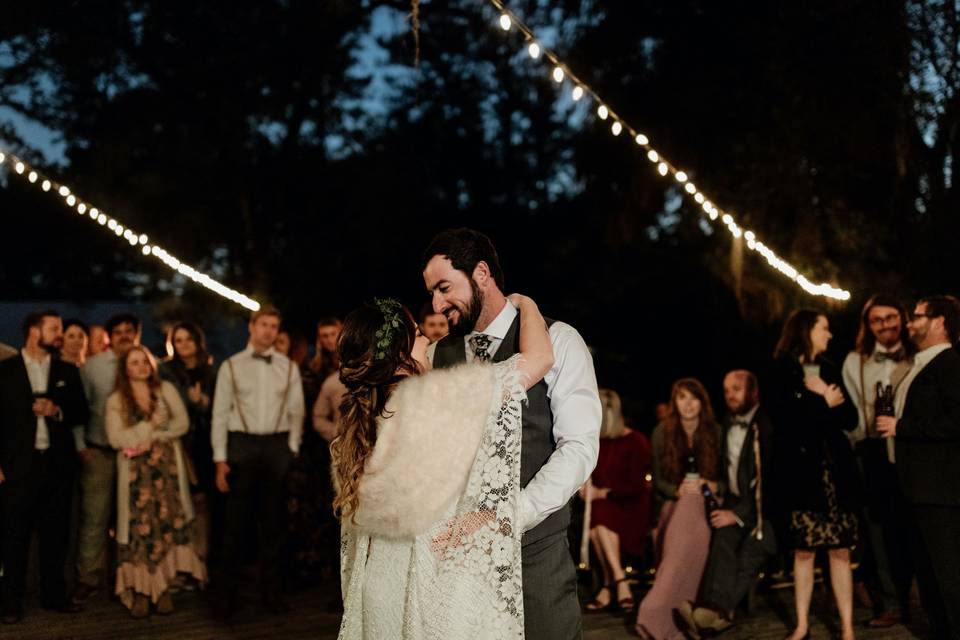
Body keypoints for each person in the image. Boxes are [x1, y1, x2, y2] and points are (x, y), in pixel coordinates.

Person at [336, 294, 554, 639]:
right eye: (416, 334)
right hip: (431, 581)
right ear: (401, 354)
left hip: (380, 579)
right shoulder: (437, 399)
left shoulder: (364, 417)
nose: (425, 337)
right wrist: (527, 304)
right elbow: (539, 358)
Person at [423, 228, 601, 640]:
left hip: (534, 551)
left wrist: (513, 516)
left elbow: (578, 448)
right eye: (432, 292)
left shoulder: (559, 339)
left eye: (444, 287)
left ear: (481, 273)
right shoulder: (437, 355)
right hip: (457, 558)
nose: (436, 303)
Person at [768, 310, 859, 640]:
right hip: (800, 475)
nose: (830, 334)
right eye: (824, 328)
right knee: (803, 551)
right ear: (806, 330)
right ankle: (802, 624)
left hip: (834, 474)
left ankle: (847, 628)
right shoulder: (781, 370)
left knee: (840, 550)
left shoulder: (830, 368)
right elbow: (786, 422)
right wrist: (822, 400)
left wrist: (828, 399)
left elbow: (850, 419)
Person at [210, 305, 305, 616]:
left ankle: (272, 594)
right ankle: (226, 597)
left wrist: (290, 448)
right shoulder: (231, 366)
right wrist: (220, 458)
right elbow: (220, 414)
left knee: (274, 527)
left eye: (274, 326)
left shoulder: (288, 367)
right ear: (251, 327)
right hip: (242, 446)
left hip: (276, 447)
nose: (268, 331)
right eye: (263, 324)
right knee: (235, 526)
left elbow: (296, 411)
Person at [0, 311, 89, 624]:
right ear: (34, 331)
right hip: (18, 468)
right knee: (14, 537)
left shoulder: (67, 369)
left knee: (56, 535)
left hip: (57, 466)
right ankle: (11, 602)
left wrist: (57, 410)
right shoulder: (5, 371)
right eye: (54, 328)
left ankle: (53, 595)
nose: (59, 334)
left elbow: (81, 412)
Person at [105, 346, 206, 617]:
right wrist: (149, 426)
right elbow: (117, 439)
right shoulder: (117, 400)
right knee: (139, 532)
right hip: (136, 478)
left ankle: (161, 589)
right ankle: (139, 591)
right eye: (134, 362)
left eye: (144, 362)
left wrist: (160, 435)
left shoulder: (165, 391)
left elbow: (182, 423)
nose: (140, 367)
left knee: (165, 528)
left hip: (167, 473)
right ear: (125, 368)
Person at [881, 295, 960, 638]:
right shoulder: (920, 364)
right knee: (927, 574)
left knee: (948, 574)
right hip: (914, 487)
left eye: (917, 316)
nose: (909, 322)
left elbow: (958, 422)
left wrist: (902, 427)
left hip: (940, 490)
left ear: (940, 321)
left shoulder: (950, 364)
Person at [676, 370, 777, 637]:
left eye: (736, 389)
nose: (730, 395)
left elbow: (769, 484)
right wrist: (714, 486)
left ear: (753, 392)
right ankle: (710, 615)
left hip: (766, 511)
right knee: (721, 536)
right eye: (726, 390)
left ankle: (712, 613)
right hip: (736, 503)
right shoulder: (728, 423)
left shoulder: (765, 427)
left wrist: (738, 514)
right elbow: (728, 474)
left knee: (752, 550)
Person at [841, 294, 915, 627]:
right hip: (872, 453)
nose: (884, 325)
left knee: (914, 528)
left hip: (913, 449)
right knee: (879, 533)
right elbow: (853, 420)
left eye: (890, 317)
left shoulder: (917, 357)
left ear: (903, 317)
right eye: (876, 320)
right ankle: (890, 603)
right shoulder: (854, 361)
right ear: (867, 325)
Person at [635, 378, 720, 640]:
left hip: (707, 502)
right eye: (682, 397)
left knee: (693, 505)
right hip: (672, 503)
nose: (688, 404)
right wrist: (677, 491)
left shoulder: (715, 431)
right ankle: (671, 611)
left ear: (702, 402)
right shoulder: (662, 431)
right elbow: (659, 481)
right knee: (684, 505)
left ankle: (658, 608)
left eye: (693, 398)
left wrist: (712, 485)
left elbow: (728, 479)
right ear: (675, 402)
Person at [74, 312, 142, 603]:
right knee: (95, 518)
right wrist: (80, 445)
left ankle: (125, 577)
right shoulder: (93, 367)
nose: (124, 335)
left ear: (136, 335)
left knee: (132, 519)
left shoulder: (144, 366)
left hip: (136, 455)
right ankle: (88, 578)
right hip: (99, 452)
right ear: (109, 337)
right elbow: (81, 408)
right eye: (119, 331)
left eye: (130, 331)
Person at [583, 389, 652, 613]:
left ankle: (610, 584)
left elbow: (635, 487)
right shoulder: (596, 443)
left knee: (599, 518)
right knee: (598, 520)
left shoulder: (636, 441)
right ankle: (618, 580)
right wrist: (584, 488)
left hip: (631, 507)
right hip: (605, 509)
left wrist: (604, 494)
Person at [158, 322, 217, 564]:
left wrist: (204, 404)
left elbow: (217, 406)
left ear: (197, 341)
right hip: (178, 441)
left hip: (205, 441)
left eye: (188, 339)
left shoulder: (211, 370)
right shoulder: (165, 370)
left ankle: (202, 556)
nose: (183, 344)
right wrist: (194, 403)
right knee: (180, 500)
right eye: (178, 340)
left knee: (204, 500)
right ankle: (182, 559)